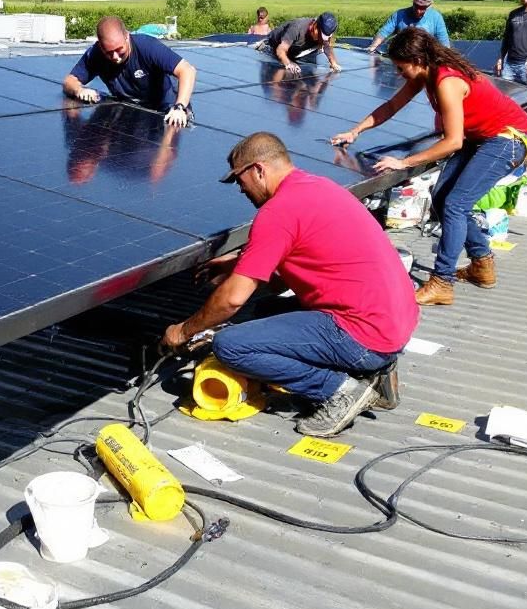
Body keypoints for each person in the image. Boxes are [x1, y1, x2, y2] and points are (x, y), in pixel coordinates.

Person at [160, 132, 417, 437]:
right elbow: (298, 260)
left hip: (365, 333)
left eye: (240, 180)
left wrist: (184, 330)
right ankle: (374, 370)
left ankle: (339, 391)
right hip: (394, 323)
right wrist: (236, 266)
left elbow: (232, 301)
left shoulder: (277, 211)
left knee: (230, 347)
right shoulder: (320, 187)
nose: (241, 190)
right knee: (268, 309)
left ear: (258, 169)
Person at [331, 28, 527, 306]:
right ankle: (482, 265)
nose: (400, 74)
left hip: (508, 138)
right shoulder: (425, 74)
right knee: (441, 199)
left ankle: (442, 282)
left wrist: (403, 162)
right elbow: (391, 107)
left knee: (456, 204)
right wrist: (356, 131)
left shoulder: (446, 81)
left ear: (417, 60)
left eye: (401, 68)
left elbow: (452, 142)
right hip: (482, 137)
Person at [62, 16, 196, 127]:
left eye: (119, 50)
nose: (115, 57)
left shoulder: (147, 47)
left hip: (167, 108)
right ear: (100, 45)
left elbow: (187, 70)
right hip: (134, 110)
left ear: (127, 37)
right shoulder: (96, 54)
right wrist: (79, 90)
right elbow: (69, 81)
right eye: (109, 52)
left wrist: (180, 107)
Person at [368, 0, 449, 51]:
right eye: (416, 5)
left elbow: (444, 44)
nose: (418, 11)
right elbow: (383, 33)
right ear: (413, 1)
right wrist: (373, 46)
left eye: (423, 8)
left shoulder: (436, 17)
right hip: (401, 58)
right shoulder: (399, 15)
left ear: (430, 4)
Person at [257, 12, 342, 74]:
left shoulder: (323, 35)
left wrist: (333, 63)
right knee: (282, 69)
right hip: (273, 46)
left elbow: (326, 46)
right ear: (315, 27)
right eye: (320, 36)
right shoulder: (297, 28)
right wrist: (289, 63)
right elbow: (280, 50)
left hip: (294, 49)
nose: (321, 39)